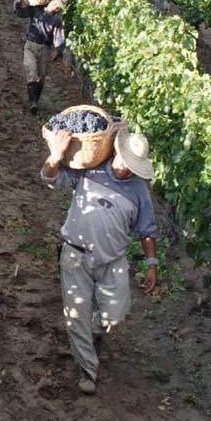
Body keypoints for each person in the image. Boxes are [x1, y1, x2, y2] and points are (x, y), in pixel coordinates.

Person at [41, 124, 158, 395]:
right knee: (75, 317)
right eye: (124, 161)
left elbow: (147, 230)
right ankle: (87, 370)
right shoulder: (89, 167)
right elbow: (49, 178)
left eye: (133, 166)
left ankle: (96, 326)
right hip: (75, 255)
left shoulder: (139, 191)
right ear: (115, 152)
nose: (125, 168)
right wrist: (55, 157)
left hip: (113, 261)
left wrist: (152, 264)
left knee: (115, 315)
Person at [14, 0, 69, 114]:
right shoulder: (36, 9)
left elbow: (59, 39)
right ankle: (33, 103)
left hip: (45, 49)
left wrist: (57, 51)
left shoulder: (56, 20)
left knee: (41, 77)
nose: (56, 7)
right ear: (51, 1)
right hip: (30, 45)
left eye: (58, 6)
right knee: (31, 70)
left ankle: (35, 100)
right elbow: (19, 12)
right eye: (55, 3)